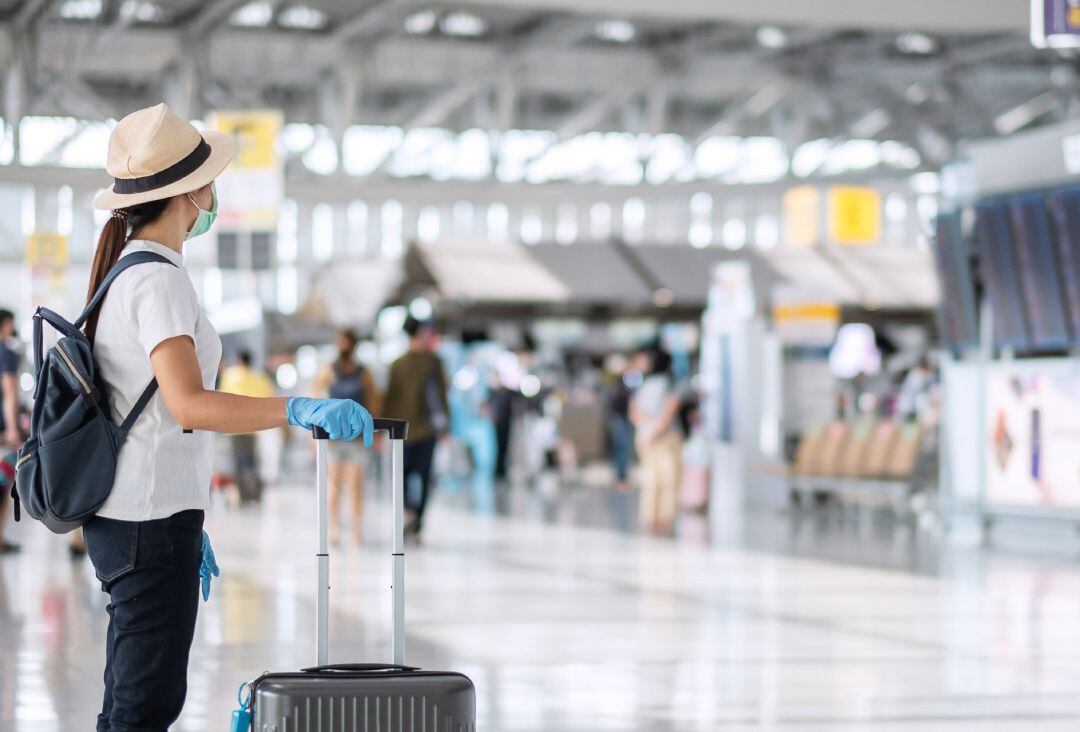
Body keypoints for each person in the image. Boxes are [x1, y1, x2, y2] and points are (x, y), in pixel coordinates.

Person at [81, 103, 373, 732]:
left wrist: (183, 515)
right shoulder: (157, 280)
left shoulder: (130, 271)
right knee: (144, 707)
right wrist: (295, 408)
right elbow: (189, 404)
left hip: (141, 516)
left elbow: (156, 411)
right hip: (146, 523)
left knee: (133, 698)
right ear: (192, 191)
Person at [312, 329, 381, 544]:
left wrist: (375, 430)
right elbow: (315, 394)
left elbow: (374, 400)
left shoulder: (363, 373)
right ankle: (334, 527)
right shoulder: (329, 370)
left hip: (357, 436)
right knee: (333, 483)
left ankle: (356, 527)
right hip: (333, 436)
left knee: (356, 483)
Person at [383, 316, 449, 542]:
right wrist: (445, 428)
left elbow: (389, 399)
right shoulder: (434, 362)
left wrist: (383, 429)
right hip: (426, 431)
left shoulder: (397, 364)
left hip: (401, 432)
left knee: (400, 477)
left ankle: (406, 513)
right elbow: (440, 398)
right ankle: (417, 519)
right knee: (425, 476)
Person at [629, 347, 683, 535]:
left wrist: (648, 430)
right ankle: (665, 521)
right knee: (668, 480)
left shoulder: (643, 385)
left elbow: (635, 413)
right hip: (666, 437)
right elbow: (670, 409)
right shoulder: (671, 383)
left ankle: (650, 520)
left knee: (651, 480)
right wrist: (657, 429)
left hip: (646, 437)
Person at [219, 350, 276, 504]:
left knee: (238, 462)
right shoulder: (258, 378)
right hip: (253, 427)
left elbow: (223, 397)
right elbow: (268, 396)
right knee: (253, 462)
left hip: (234, 427)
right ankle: (257, 495)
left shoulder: (230, 375)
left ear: (239, 361)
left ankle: (243, 497)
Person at [0, 309, 19, 554]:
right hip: (3, 430)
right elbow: (10, 392)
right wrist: (14, 427)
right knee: (3, 483)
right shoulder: (7, 352)